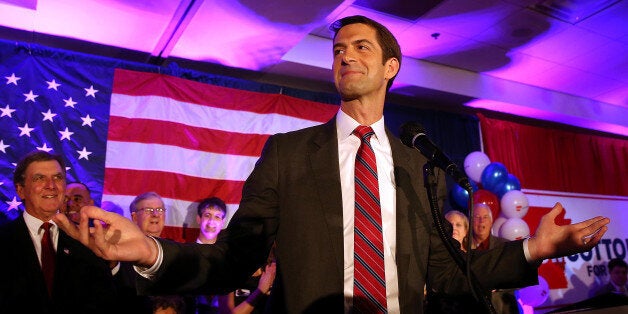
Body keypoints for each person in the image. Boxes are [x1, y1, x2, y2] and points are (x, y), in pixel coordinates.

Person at [54, 15, 610, 314]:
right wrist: (151, 253)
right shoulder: (289, 154)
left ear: (392, 66)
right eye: (338, 48)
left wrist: (534, 249)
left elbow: (445, 272)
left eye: (362, 47)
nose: (345, 54)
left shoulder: (419, 162)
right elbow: (233, 257)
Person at [0, 151, 117, 313]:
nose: (51, 185)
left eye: (58, 178)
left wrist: (112, 262)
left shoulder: (84, 240)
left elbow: (108, 298)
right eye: (39, 178)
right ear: (20, 190)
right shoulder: (4, 240)